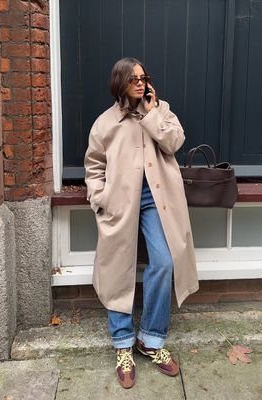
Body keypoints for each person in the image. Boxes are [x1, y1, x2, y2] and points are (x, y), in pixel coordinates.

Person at [84, 57, 199, 389]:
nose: (140, 82)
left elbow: (175, 142)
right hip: (120, 203)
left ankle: (150, 339)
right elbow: (93, 165)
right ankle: (123, 344)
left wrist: (151, 114)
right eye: (133, 78)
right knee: (118, 269)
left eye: (143, 77)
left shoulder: (160, 111)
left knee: (163, 261)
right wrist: (99, 197)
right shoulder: (105, 123)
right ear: (119, 82)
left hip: (156, 201)